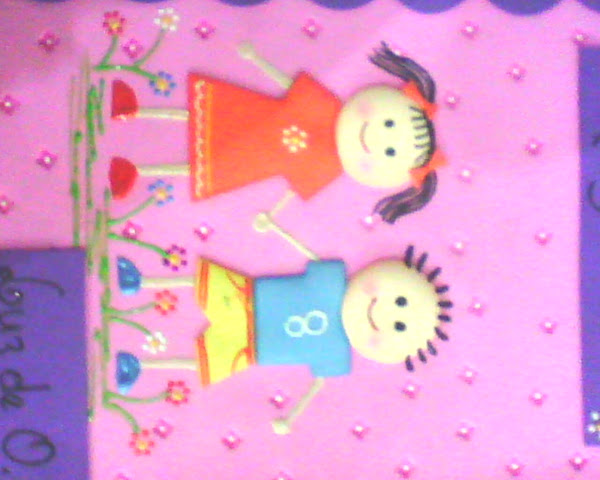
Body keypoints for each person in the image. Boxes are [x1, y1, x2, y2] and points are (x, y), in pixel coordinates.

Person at [116, 244, 453, 434]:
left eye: (398, 327)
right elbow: (307, 253)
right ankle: (139, 281)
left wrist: (291, 417)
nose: (386, 314)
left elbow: (314, 387)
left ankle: (139, 365)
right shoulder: (332, 280)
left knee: (202, 360)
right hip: (246, 297)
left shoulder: (337, 355)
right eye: (400, 302)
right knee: (202, 286)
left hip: (248, 347)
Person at [109, 42, 446, 224]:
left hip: (258, 159)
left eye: (390, 152)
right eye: (389, 124)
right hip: (258, 113)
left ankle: (137, 171)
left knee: (207, 165)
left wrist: (272, 216)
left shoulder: (327, 167)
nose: (377, 140)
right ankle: (134, 108)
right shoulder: (326, 107)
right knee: (205, 111)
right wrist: (256, 59)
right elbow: (287, 85)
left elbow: (291, 188)